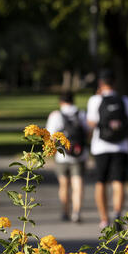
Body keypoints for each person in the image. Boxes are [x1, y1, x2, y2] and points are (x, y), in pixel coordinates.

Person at [87, 69, 128, 230]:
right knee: (118, 182)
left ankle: (104, 218)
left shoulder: (95, 100)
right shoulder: (125, 100)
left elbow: (91, 123)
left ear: (101, 83)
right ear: (114, 82)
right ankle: (117, 213)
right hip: (121, 147)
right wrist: (127, 139)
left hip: (100, 146)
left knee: (101, 182)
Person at [46, 92, 88, 223]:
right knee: (78, 183)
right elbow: (88, 131)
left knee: (64, 185)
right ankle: (77, 212)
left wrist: (50, 152)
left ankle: (65, 211)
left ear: (60, 102)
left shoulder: (56, 115)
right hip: (80, 154)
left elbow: (51, 136)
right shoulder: (81, 114)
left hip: (62, 155)